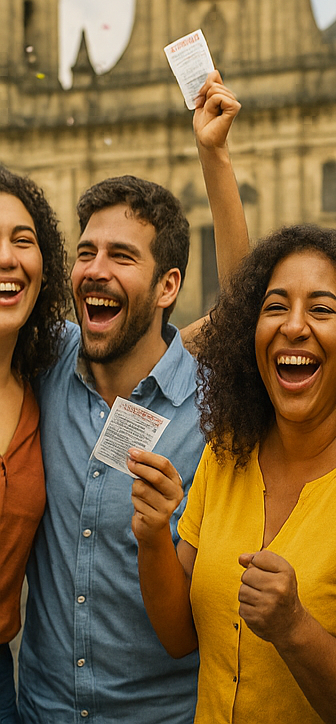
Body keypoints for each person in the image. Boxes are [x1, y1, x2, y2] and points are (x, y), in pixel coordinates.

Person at [18, 74, 248, 724]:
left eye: (122, 256)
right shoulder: (51, 361)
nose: (95, 269)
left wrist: (214, 156)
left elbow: (242, 307)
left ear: (169, 285)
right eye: (86, 252)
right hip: (39, 710)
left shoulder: (208, 406)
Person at [131, 225, 336, 724]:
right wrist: (154, 534)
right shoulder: (227, 450)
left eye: (322, 309)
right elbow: (179, 638)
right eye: (276, 306)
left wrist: (294, 628)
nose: (294, 326)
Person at [0, 167, 69, 724]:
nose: (6, 257)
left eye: (23, 241)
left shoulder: (44, 377)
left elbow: (218, 329)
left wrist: (213, 159)